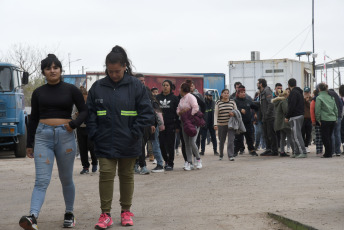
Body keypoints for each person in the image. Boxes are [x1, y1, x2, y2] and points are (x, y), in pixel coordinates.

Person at [87, 46, 154, 228]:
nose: (114, 74)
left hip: (129, 140)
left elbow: (147, 114)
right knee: (106, 175)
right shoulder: (97, 87)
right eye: (110, 71)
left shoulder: (136, 86)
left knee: (126, 176)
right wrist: (94, 133)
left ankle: (126, 212)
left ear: (125, 66)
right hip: (104, 140)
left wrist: (135, 132)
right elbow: (90, 114)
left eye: (117, 71)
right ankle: (105, 214)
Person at [19, 54, 88, 230]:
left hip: (65, 137)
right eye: (48, 68)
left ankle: (69, 214)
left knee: (66, 178)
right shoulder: (38, 92)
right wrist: (29, 143)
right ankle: (33, 217)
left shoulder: (71, 90)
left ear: (60, 69)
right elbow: (33, 119)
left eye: (55, 67)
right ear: (44, 71)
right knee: (41, 180)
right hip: (43, 137)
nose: (52, 70)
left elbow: (85, 111)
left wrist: (74, 124)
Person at [177, 80, 203, 170]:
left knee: (192, 142)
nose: (179, 90)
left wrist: (189, 115)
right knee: (186, 143)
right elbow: (178, 110)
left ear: (183, 89)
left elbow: (196, 107)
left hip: (193, 122)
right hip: (184, 123)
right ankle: (189, 162)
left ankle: (198, 159)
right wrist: (181, 112)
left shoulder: (190, 97)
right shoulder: (181, 99)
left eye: (180, 88)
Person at [156, 80, 180, 171]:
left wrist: (177, 126)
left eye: (167, 85)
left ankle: (170, 163)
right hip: (160, 125)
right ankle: (165, 160)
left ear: (170, 87)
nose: (165, 87)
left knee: (170, 145)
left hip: (171, 125)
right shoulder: (157, 97)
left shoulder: (174, 98)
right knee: (161, 144)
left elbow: (177, 113)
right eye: (164, 85)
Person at [73, 86, 97, 174]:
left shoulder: (91, 103)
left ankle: (94, 163)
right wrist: (77, 114)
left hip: (90, 127)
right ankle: (85, 167)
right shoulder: (76, 105)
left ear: (87, 95)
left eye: (83, 96)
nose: (82, 99)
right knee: (82, 148)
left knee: (91, 146)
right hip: (80, 128)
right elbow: (72, 116)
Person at [285, 78, 307, 158]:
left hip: (295, 116)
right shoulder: (299, 92)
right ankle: (296, 152)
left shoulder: (293, 93)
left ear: (288, 85)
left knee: (297, 135)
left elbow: (291, 106)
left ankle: (302, 152)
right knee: (294, 134)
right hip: (299, 115)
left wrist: (287, 116)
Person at [315, 83, 338, 158]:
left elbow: (317, 110)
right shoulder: (331, 97)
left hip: (324, 119)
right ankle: (330, 152)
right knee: (330, 136)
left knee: (325, 137)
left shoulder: (319, 98)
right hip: (333, 119)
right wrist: (336, 118)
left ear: (319, 89)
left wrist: (318, 119)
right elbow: (335, 109)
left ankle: (327, 153)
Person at [214, 89, 237, 161]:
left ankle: (230, 155)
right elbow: (215, 114)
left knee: (231, 140)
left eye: (227, 93)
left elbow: (236, 111)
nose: (226, 94)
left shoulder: (232, 102)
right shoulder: (218, 102)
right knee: (221, 140)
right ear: (221, 94)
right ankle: (221, 154)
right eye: (225, 93)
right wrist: (215, 124)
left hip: (230, 125)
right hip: (221, 124)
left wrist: (233, 113)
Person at [257, 78, 278, 156]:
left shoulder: (267, 91)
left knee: (271, 134)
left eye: (258, 83)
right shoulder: (262, 92)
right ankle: (268, 149)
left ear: (261, 84)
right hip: (265, 117)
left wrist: (267, 114)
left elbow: (271, 103)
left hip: (269, 117)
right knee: (266, 134)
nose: (257, 84)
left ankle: (274, 150)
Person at [272, 89, 293, 157]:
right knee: (290, 136)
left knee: (282, 137)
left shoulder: (277, 102)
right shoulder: (283, 101)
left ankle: (282, 151)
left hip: (279, 122)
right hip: (284, 122)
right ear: (284, 95)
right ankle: (295, 150)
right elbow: (286, 111)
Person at [200, 91, 218, 156]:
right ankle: (202, 151)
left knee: (214, 137)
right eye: (209, 96)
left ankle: (215, 151)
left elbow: (216, 113)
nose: (211, 97)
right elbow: (200, 113)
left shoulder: (214, 103)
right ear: (206, 96)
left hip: (212, 123)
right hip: (204, 123)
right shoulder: (203, 103)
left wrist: (215, 123)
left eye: (211, 96)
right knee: (203, 138)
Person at [328, 88, 343, 156]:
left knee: (332, 133)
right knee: (338, 133)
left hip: (331, 116)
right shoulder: (337, 96)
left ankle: (333, 151)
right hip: (338, 116)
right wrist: (340, 114)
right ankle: (338, 151)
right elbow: (341, 105)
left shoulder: (328, 96)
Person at [310, 89, 323, 156]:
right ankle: (321, 150)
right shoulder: (321, 98)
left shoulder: (314, 100)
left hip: (317, 121)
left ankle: (318, 151)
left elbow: (312, 111)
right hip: (324, 119)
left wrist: (313, 120)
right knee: (322, 136)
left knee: (318, 137)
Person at [302, 86, 312, 154]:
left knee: (308, 133)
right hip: (303, 118)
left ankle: (306, 146)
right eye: (305, 92)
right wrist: (304, 100)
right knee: (302, 132)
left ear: (309, 93)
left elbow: (312, 106)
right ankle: (303, 146)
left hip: (309, 118)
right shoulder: (301, 99)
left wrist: (308, 101)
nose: (306, 94)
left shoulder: (312, 99)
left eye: (307, 92)